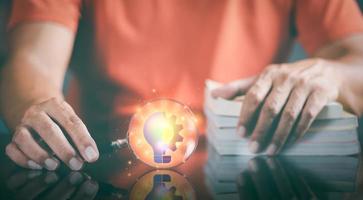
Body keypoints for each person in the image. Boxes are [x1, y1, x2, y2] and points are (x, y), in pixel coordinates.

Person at [1, 0, 363, 171]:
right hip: (99, 163)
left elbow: (357, 61)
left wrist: (331, 73)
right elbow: (31, 59)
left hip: (244, 162)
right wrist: (35, 105)